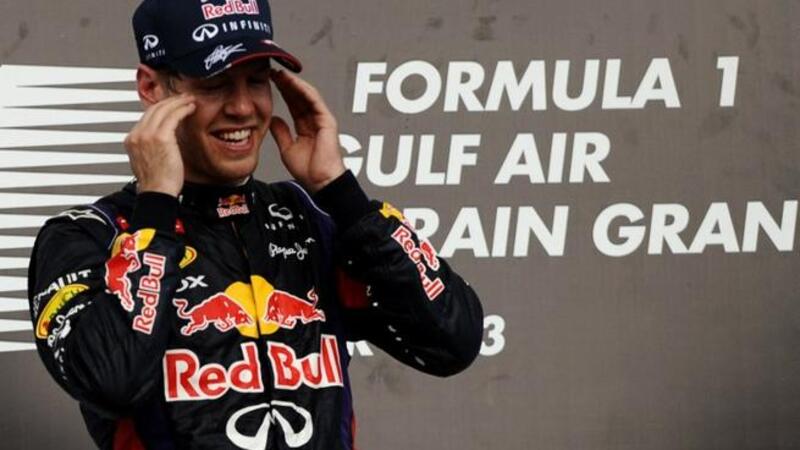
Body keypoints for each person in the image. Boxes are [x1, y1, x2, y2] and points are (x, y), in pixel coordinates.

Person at [27, 0, 484, 448]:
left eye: (257, 80)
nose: (243, 107)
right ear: (152, 87)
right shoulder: (89, 235)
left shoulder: (314, 219)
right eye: (214, 84)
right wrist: (156, 213)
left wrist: (341, 192)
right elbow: (113, 383)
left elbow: (452, 342)